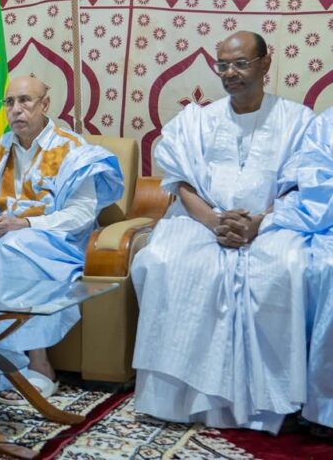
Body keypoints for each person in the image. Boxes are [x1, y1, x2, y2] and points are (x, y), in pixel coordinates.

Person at [131, 31, 314, 433]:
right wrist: (214, 222)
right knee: (161, 260)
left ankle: (268, 403)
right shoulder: (197, 121)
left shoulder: (298, 120)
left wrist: (258, 223)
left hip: (272, 223)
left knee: (289, 265)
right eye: (224, 65)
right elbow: (181, 183)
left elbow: (302, 186)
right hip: (200, 220)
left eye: (241, 63)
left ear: (265, 64)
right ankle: (177, 401)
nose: (230, 73)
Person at [0, 74, 123, 401]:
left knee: (14, 247)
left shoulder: (72, 150)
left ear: (45, 104)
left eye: (25, 101)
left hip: (54, 243)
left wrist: (26, 225)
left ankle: (35, 364)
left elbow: (81, 214)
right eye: (10, 102)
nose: (16, 109)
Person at [269, 107, 333, 431]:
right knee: (324, 268)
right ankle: (324, 409)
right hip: (330, 224)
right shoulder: (327, 123)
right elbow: (316, 183)